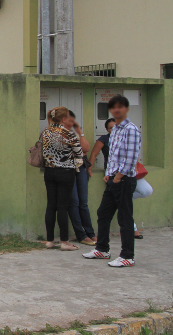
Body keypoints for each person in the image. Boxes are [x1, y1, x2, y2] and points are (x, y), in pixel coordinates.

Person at [83, 94, 140, 267]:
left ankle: (128, 256)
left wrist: (119, 176)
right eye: (113, 107)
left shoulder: (131, 129)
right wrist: (109, 173)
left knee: (124, 218)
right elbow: (114, 155)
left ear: (126, 109)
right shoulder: (115, 129)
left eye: (120, 107)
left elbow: (131, 157)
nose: (116, 109)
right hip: (113, 179)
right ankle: (102, 249)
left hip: (124, 180)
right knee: (103, 213)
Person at [89, 117, 149, 239]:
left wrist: (135, 164)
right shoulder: (104, 139)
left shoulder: (127, 136)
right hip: (114, 175)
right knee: (115, 209)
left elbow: (132, 153)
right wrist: (89, 169)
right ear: (106, 129)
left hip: (129, 173)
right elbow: (94, 153)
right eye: (111, 127)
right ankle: (133, 231)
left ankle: (120, 200)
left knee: (146, 191)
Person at [41, 106, 83, 251]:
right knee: (62, 207)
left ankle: (50, 240)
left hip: (49, 172)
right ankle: (64, 241)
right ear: (64, 119)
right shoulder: (69, 134)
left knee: (51, 205)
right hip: (65, 172)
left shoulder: (45, 132)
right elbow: (79, 154)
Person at [65, 111, 96, 246]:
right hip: (68, 168)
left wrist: (80, 132)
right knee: (74, 202)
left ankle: (90, 233)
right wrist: (78, 151)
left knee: (83, 201)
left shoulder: (74, 133)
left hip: (81, 167)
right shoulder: (57, 133)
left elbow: (86, 149)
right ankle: (81, 234)